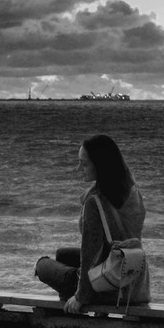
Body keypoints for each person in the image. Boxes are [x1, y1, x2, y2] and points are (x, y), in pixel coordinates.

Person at [35, 134, 150, 314]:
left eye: (84, 163)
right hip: (134, 285)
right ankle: (69, 300)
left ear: (100, 165)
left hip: (107, 287)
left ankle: (71, 304)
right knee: (63, 255)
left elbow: (90, 252)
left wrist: (81, 297)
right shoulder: (134, 193)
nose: (78, 168)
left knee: (42, 266)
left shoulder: (95, 202)